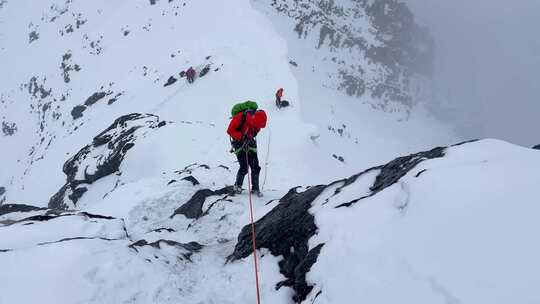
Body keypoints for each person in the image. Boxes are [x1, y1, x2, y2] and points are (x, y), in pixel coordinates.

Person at [227, 108, 267, 197]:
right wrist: (241, 136)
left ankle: (255, 188)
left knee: (255, 166)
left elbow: (256, 130)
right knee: (244, 166)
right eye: (258, 125)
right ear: (253, 119)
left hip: (250, 141)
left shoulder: (258, 122)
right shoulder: (240, 118)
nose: (259, 127)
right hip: (238, 143)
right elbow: (230, 131)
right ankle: (238, 185)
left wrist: (250, 135)